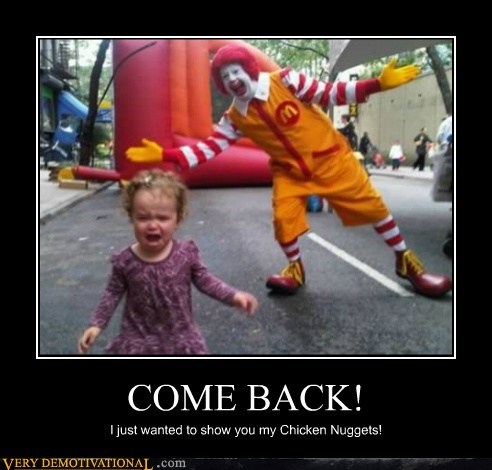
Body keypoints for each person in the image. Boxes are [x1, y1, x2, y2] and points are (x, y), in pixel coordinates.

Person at [127, 45, 451, 298]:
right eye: (225, 77)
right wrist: (165, 154)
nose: (232, 79)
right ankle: (295, 270)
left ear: (249, 69)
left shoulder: (286, 80)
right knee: (284, 222)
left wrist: (377, 84)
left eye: (235, 71)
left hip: (331, 159)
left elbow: (330, 93)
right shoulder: (234, 117)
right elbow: (208, 149)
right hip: (289, 172)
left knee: (375, 209)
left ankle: (408, 264)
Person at [78, 169, 258, 355]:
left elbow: (205, 281)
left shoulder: (185, 254)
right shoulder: (125, 261)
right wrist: (96, 325)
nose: (152, 225)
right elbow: (112, 294)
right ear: (131, 218)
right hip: (138, 338)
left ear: (177, 219)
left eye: (162, 218)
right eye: (143, 218)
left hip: (180, 336)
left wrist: (232, 295)